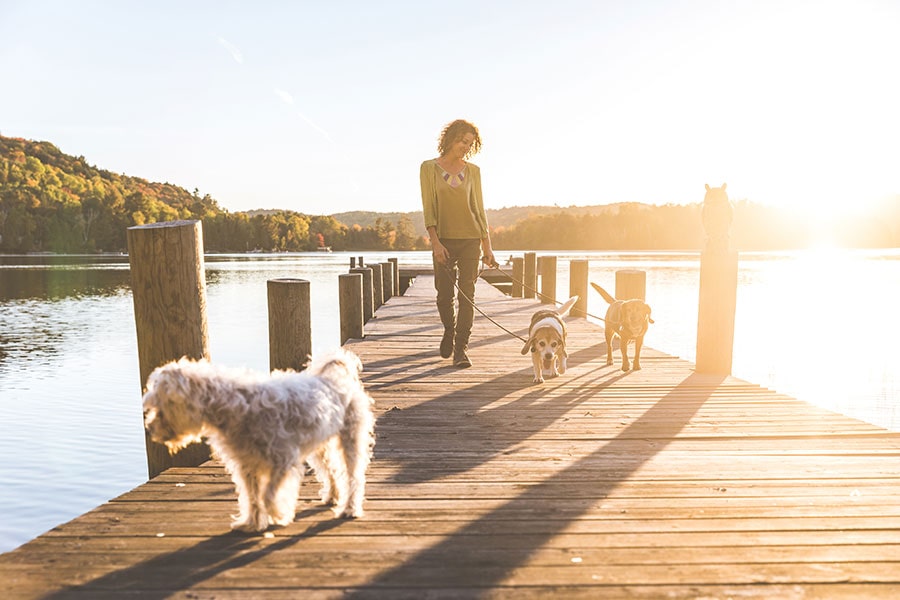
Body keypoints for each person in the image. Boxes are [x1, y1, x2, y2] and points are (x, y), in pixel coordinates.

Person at [420, 119, 496, 368]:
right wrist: (435, 242)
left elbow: (479, 209)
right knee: (444, 296)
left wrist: (487, 247)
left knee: (467, 296)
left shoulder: (473, 171)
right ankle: (449, 331)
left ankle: (461, 349)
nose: (465, 147)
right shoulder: (429, 168)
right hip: (444, 240)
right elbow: (429, 208)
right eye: (463, 141)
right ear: (451, 138)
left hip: (470, 240)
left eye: (470, 144)